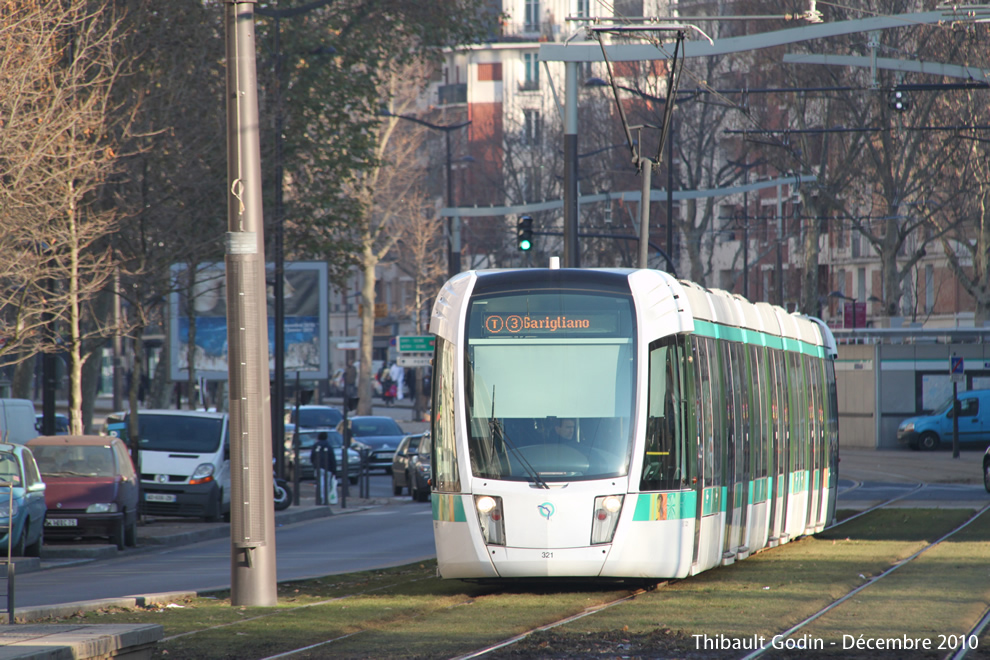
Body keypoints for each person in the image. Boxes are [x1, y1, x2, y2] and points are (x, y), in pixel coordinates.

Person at [311, 431, 338, 505]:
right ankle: (326, 498)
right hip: (328, 468)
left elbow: (312, 456)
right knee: (327, 484)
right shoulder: (328, 446)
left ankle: (321, 498)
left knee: (320, 483)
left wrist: (314, 465)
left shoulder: (316, 445)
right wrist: (334, 470)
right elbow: (332, 459)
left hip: (318, 467)